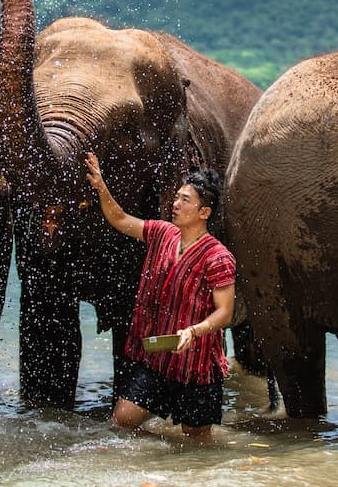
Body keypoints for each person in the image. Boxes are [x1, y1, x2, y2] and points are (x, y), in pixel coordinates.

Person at [84, 152, 236, 439]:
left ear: (205, 212)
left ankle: (188, 477)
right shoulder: (162, 233)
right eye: (176, 197)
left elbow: (224, 312)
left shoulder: (218, 257)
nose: (175, 204)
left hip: (198, 369)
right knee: (121, 423)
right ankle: (160, 455)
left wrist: (194, 331)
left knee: (197, 442)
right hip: (158, 360)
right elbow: (120, 219)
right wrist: (101, 186)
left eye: (185, 200)